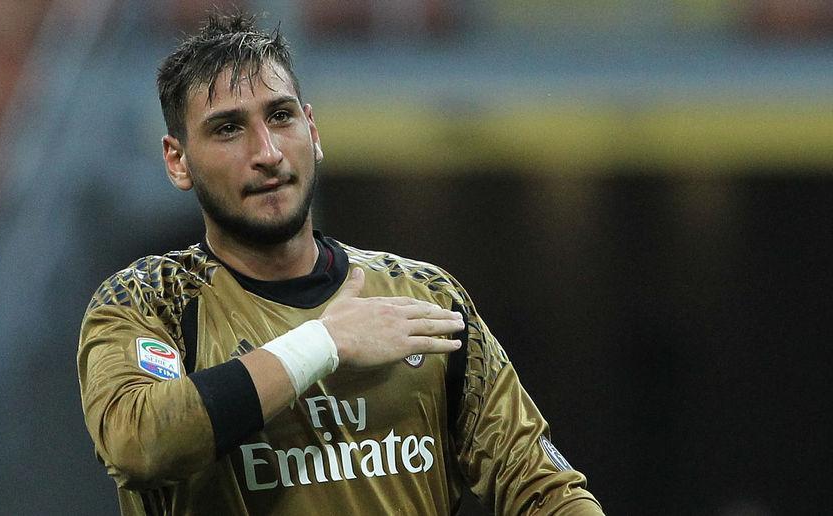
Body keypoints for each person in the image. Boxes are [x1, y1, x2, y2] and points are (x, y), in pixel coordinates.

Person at [77, 11, 603, 516]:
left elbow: (540, 486)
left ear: (313, 130)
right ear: (177, 160)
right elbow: (139, 443)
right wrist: (322, 344)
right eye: (228, 129)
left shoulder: (424, 297)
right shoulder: (148, 301)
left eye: (280, 117)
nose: (267, 152)